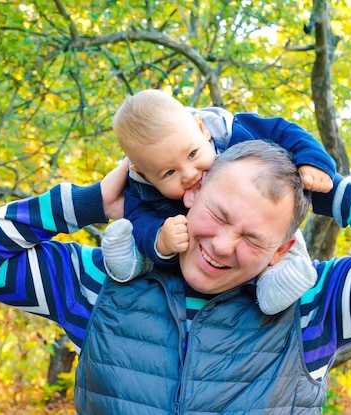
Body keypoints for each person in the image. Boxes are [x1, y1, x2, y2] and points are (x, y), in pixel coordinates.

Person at [0, 140, 351, 413]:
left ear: (283, 249)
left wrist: (325, 192)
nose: (222, 247)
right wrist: (90, 202)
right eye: (217, 216)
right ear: (189, 193)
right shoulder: (102, 283)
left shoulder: (314, 307)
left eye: (255, 238)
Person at [102, 89, 337, 315]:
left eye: (193, 154)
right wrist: (158, 239)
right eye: (169, 173)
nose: (189, 174)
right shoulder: (142, 187)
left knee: (276, 216)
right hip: (183, 248)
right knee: (138, 235)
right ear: (143, 174)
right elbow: (139, 217)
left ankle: (285, 268)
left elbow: (285, 131)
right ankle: (133, 262)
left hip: (260, 218)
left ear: (202, 129)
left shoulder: (235, 132)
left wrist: (313, 162)